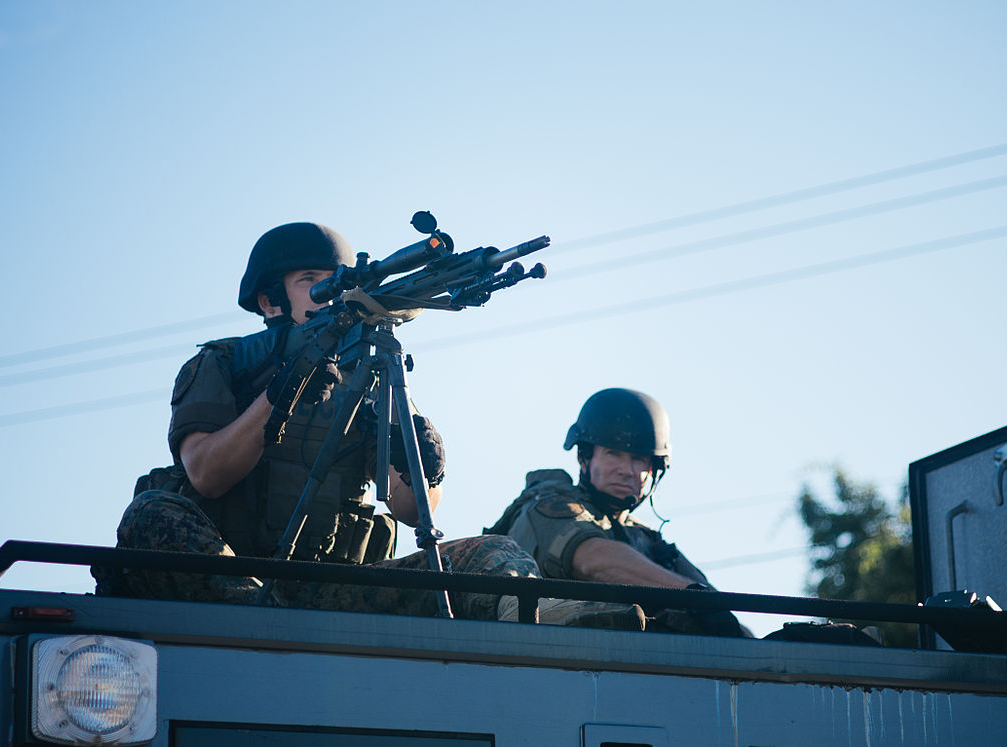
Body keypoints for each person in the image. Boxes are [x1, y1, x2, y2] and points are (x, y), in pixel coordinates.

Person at [94, 222, 639, 628]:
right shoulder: (224, 364)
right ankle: (258, 620)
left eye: (334, 281)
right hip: (232, 586)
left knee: (490, 554)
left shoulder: (368, 373)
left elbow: (410, 507)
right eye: (310, 280)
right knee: (151, 517)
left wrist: (417, 447)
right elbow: (207, 474)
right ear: (268, 299)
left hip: (335, 594)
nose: (327, 290)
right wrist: (282, 389)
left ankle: (543, 616)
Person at [486, 387, 752, 636]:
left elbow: (718, 608)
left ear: (653, 470)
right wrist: (691, 596)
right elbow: (592, 559)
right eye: (613, 454)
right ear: (584, 458)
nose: (627, 470)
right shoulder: (548, 506)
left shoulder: (648, 542)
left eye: (639, 459)